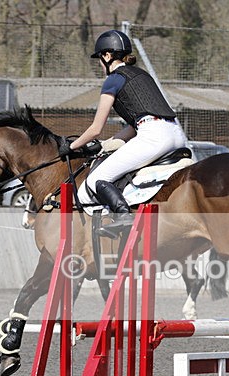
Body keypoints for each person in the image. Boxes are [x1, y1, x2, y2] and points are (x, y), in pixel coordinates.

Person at [68, 29, 187, 235]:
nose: (99, 64)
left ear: (107, 56)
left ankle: (123, 217)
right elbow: (133, 126)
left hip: (154, 136)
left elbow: (95, 128)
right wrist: (106, 145)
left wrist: (71, 146)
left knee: (97, 179)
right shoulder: (142, 74)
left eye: (99, 58)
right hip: (176, 133)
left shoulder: (114, 79)